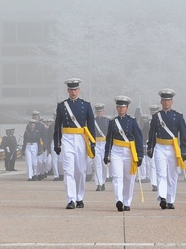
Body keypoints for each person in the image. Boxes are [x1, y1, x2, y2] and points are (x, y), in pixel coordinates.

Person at [53, 78, 96, 209]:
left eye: (75, 89)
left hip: (81, 139)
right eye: (71, 89)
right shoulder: (62, 106)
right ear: (68, 90)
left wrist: (93, 144)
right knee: (68, 170)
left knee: (81, 170)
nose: (73, 92)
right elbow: (57, 126)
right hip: (67, 138)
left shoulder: (86, 105)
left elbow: (91, 125)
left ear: (79, 90)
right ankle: (71, 199)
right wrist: (57, 143)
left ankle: (79, 197)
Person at [145, 88, 186, 210]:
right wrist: (150, 147)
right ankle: (162, 197)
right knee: (161, 173)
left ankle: (170, 200)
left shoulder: (178, 117)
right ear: (161, 101)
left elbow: (183, 135)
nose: (166, 103)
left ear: (172, 102)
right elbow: (151, 133)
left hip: (173, 148)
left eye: (168, 100)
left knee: (172, 175)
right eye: (164, 100)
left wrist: (184, 150)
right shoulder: (156, 117)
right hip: (159, 147)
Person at [103, 95, 144, 212]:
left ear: (127, 108)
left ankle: (127, 202)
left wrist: (140, 154)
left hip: (129, 152)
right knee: (117, 177)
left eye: (123, 107)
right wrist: (107, 154)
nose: (121, 109)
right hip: (116, 151)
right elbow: (109, 139)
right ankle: (119, 200)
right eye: (119, 107)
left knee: (129, 178)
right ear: (117, 108)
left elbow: (139, 138)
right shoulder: (112, 122)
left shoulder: (132, 122)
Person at [91, 103, 109, 191]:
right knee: (97, 164)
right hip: (96, 144)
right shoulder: (92, 121)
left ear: (103, 112)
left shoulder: (107, 121)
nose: (99, 113)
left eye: (100, 111)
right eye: (97, 111)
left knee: (104, 165)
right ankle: (99, 183)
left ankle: (103, 181)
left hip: (105, 143)